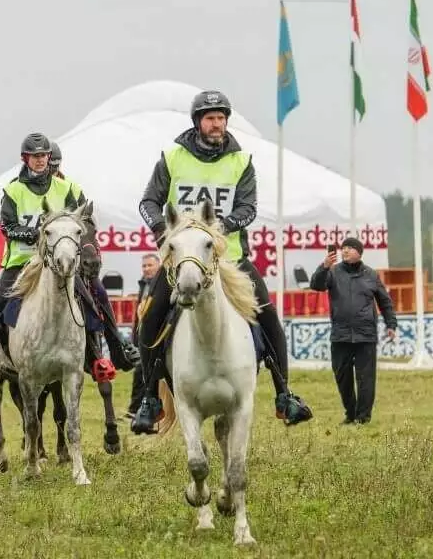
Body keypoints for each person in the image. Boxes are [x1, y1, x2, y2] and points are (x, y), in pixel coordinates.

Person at [131, 90, 314, 434]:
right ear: (197, 122)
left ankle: (284, 393)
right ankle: (149, 399)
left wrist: (221, 228)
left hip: (229, 259)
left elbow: (249, 208)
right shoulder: (172, 158)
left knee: (268, 316)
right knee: (150, 316)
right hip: (181, 258)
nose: (217, 124)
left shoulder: (241, 162)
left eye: (221, 118)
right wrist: (162, 230)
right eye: (210, 118)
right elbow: (148, 201)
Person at [0, 133, 82, 383]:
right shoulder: (13, 190)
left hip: (57, 262)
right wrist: (36, 234)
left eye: (43, 156)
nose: (40, 160)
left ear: (49, 157)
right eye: (35, 156)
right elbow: (7, 227)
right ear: (25, 159)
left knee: (92, 296)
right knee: (0, 301)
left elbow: (79, 220)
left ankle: (104, 354)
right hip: (21, 262)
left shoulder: (67, 188)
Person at [48, 139, 139, 379]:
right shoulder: (22, 188)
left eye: (55, 166)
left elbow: (86, 223)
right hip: (39, 259)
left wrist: (88, 252)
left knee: (98, 292)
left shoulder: (72, 190)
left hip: (71, 261)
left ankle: (117, 346)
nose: (52, 171)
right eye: (49, 166)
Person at [309, 237, 397, 425]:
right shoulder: (332, 272)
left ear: (359, 252)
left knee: (366, 379)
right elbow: (316, 285)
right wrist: (324, 266)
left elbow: (385, 302)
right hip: (341, 335)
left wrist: (391, 324)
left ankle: (363, 418)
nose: (345, 251)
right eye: (343, 248)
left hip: (366, 335)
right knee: (343, 378)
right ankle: (350, 414)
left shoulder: (371, 275)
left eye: (350, 248)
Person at [127, 253, 161, 417]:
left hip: (159, 337)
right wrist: (135, 337)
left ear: (158, 265)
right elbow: (138, 314)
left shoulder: (163, 285)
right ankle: (136, 409)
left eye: (150, 265)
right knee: (141, 370)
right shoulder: (144, 284)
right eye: (144, 266)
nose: (146, 269)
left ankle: (140, 409)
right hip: (144, 336)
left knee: (144, 370)